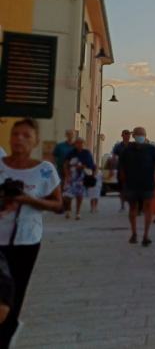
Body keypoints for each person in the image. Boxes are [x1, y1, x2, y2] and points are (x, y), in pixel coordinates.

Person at [0, 119, 63, 346]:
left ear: (35, 141)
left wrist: (29, 200)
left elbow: (58, 205)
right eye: (16, 134)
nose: (19, 139)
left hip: (26, 240)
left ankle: (7, 335)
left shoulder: (44, 170)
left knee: (13, 295)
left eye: (26, 135)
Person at [118, 127, 155, 246]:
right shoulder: (127, 150)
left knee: (148, 208)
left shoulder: (151, 149)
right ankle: (134, 233)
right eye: (138, 134)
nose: (140, 136)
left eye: (142, 134)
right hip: (131, 184)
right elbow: (121, 166)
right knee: (133, 208)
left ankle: (146, 235)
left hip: (147, 183)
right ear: (134, 135)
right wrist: (123, 182)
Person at [63, 137, 96, 220]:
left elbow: (91, 165)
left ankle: (78, 212)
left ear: (83, 144)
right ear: (75, 144)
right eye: (77, 143)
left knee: (79, 195)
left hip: (81, 177)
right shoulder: (71, 153)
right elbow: (66, 164)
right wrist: (67, 175)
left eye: (81, 143)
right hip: (71, 176)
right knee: (67, 196)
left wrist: (85, 168)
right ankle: (68, 210)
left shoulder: (87, 153)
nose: (79, 144)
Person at [112, 129, 132, 211]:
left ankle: (132, 204)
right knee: (121, 188)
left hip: (132, 170)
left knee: (131, 188)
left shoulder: (132, 145)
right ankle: (122, 205)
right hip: (121, 169)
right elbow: (113, 157)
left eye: (128, 134)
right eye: (125, 134)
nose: (127, 136)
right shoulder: (118, 146)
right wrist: (112, 167)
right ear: (122, 135)